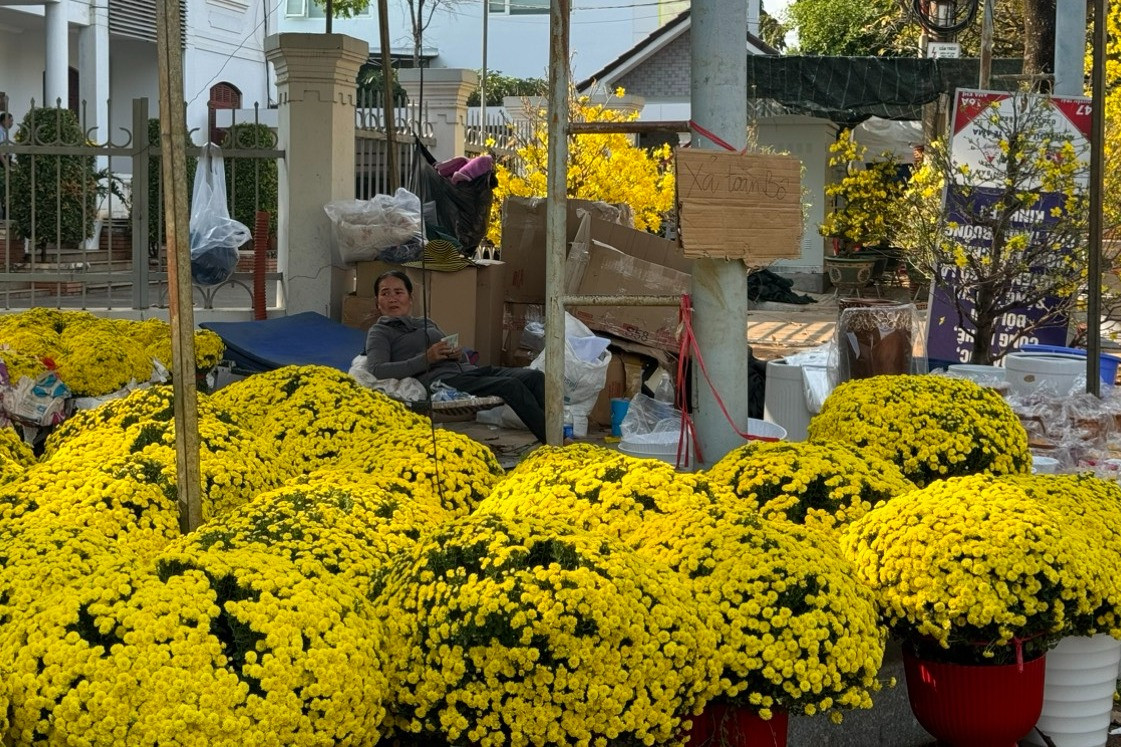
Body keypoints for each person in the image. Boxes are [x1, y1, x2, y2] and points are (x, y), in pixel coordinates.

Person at [363, 270, 547, 443]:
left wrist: (458, 354)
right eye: (385, 293)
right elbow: (378, 369)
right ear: (378, 302)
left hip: (468, 372)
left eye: (398, 292)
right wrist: (426, 359)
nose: (392, 299)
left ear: (410, 298)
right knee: (511, 386)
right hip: (442, 382)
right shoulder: (380, 332)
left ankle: (554, 431)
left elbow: (457, 354)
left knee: (535, 377)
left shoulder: (426, 323)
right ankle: (553, 442)